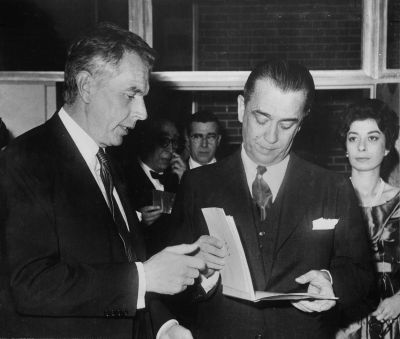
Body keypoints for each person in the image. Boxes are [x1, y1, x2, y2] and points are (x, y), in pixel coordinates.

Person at [0, 22, 221, 338]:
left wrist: (164, 326)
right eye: (131, 94)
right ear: (87, 86)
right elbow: (30, 284)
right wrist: (143, 278)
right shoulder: (22, 162)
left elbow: (122, 268)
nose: (142, 112)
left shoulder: (109, 162)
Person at [161, 60, 376, 339]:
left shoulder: (332, 187)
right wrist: (202, 277)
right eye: (261, 119)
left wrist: (332, 283)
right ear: (241, 108)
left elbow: (363, 276)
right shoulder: (197, 185)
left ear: (301, 123)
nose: (271, 137)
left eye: (287, 124)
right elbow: (170, 283)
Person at [337, 99, 400, 339]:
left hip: (390, 322)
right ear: (346, 146)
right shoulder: (326, 199)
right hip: (342, 325)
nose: (361, 147)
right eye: (353, 138)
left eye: (372, 138)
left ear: (386, 148)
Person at [123, 118, 187, 255]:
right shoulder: (124, 176)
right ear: (148, 142)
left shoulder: (179, 176)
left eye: (174, 142)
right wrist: (139, 219)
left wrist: (186, 181)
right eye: (164, 141)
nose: (170, 150)